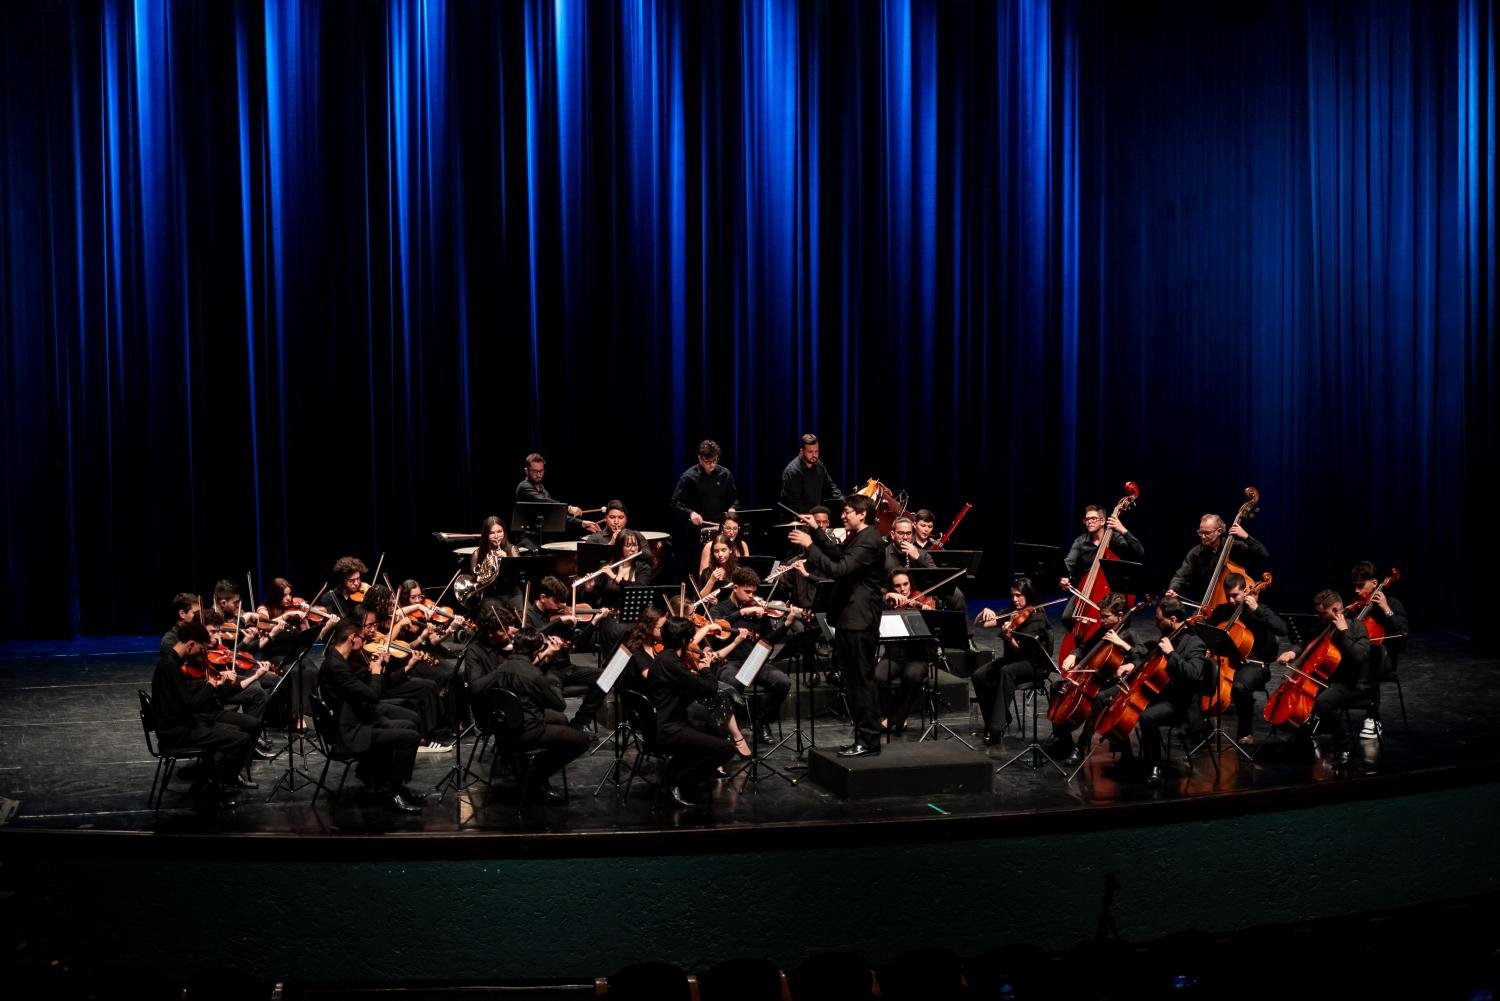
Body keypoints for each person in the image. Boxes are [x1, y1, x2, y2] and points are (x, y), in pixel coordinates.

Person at [788, 493, 886, 756]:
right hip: (849, 618)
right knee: (854, 681)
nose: (842, 516)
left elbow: (839, 568)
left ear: (862, 513)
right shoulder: (859, 537)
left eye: (846, 511)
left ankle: (868, 741)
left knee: (861, 681)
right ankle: (864, 738)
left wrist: (809, 546)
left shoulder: (870, 540)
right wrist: (817, 532)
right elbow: (837, 552)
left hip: (859, 619)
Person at [317, 617, 424, 813]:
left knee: (409, 725)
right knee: (410, 737)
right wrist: (375, 672)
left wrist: (375, 669)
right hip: (350, 731)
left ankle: (392, 785)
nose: (365, 642)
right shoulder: (336, 666)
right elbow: (373, 695)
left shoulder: (339, 660)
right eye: (362, 638)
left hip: (357, 719)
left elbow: (363, 689)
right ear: (352, 638)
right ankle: (391, 793)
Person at [150, 618, 256, 807]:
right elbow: (190, 705)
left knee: (236, 729)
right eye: (201, 648)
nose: (202, 652)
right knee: (242, 739)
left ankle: (208, 782)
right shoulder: (171, 667)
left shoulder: (168, 664)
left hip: (178, 725)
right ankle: (213, 785)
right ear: (191, 644)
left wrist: (210, 685)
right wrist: (209, 686)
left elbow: (186, 695)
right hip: (177, 732)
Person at [481, 627, 590, 803]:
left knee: (559, 722)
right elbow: (559, 704)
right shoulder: (534, 675)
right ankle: (533, 778)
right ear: (538, 650)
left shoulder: (502, 668)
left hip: (504, 731)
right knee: (582, 740)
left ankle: (525, 771)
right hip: (528, 731)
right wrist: (553, 681)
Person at [1114, 598, 1212, 786]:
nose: (1156, 623)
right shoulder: (1169, 635)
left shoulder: (1195, 643)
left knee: (1147, 716)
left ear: (1172, 619)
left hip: (1180, 702)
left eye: (1159, 620)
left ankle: (1154, 766)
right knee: (1113, 699)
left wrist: (1171, 654)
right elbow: (1151, 662)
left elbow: (1193, 674)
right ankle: (1126, 756)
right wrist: (1132, 665)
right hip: (1162, 694)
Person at [648, 616, 740, 806]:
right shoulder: (672, 663)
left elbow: (685, 686)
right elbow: (710, 688)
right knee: (727, 748)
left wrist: (692, 676)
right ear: (684, 641)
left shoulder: (664, 658)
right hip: (670, 729)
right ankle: (679, 781)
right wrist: (705, 668)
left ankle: (683, 773)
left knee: (717, 730)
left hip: (668, 722)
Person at [1275, 589, 1371, 766]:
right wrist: (1292, 652)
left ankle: (1345, 746)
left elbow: (1360, 656)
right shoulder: (1324, 626)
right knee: (1302, 699)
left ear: (1336, 610)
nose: (1318, 617)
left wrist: (1344, 633)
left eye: (1322, 613)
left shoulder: (1356, 626)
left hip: (1351, 683)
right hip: (1326, 681)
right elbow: (1305, 644)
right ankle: (1303, 739)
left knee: (1323, 702)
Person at [708, 567, 795, 745]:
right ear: (735, 588)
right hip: (729, 662)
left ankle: (761, 722)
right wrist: (742, 613)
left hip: (754, 661)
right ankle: (731, 729)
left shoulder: (758, 610)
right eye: (747, 592)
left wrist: (786, 624)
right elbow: (716, 627)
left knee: (782, 682)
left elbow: (768, 639)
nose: (751, 597)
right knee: (733, 683)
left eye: (754, 592)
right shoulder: (720, 608)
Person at [1205, 572, 1287, 746]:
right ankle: (1200, 727)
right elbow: (1207, 633)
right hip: (1228, 662)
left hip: (1256, 666)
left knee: (1240, 686)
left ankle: (1245, 733)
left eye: (1235, 595)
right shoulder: (1222, 611)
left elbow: (1282, 629)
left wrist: (1256, 609)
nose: (1231, 600)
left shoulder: (1259, 610)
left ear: (1245, 591)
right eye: (1228, 596)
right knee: (1198, 671)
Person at [971, 578, 1056, 744]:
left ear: (1028, 595)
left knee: (1006, 671)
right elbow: (980, 624)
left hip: (1034, 664)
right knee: (979, 676)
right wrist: (984, 612)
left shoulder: (1037, 618)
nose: (1015, 599)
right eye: (1013, 596)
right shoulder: (1011, 613)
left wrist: (1007, 636)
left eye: (1019, 595)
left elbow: (1022, 650)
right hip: (1013, 660)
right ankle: (1000, 717)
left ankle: (995, 729)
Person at [522, 576, 613, 729]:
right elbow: (532, 637)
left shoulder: (559, 613)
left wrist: (594, 622)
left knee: (606, 677)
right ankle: (553, 730)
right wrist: (559, 622)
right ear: (543, 598)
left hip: (566, 668)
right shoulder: (528, 616)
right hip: (546, 671)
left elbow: (578, 644)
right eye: (556, 601)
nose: (561, 606)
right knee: (558, 703)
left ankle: (578, 724)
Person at [1349, 561, 1408, 739]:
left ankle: (1373, 717)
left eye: (1361, 586)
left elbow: (1403, 634)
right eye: (1355, 586)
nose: (1357, 591)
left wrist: (1386, 610)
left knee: (1372, 654)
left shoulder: (1393, 603)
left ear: (1375, 583)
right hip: (1358, 658)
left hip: (1385, 661)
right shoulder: (1358, 607)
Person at [670, 440, 740, 572]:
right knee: (700, 566)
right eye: (708, 462)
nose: (712, 464)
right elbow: (675, 502)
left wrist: (732, 508)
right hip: (697, 531)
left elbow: (734, 498)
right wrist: (691, 512)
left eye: (715, 460)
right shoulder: (689, 477)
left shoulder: (725, 474)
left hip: (721, 528)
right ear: (700, 458)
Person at [1166, 513, 1269, 602]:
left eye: (1207, 533)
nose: (1203, 536)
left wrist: (1246, 536)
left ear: (1219, 531)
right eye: (1200, 532)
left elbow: (1263, 554)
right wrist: (1173, 589)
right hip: (1207, 604)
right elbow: (1180, 576)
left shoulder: (1234, 547)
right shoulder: (1195, 553)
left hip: (1233, 603)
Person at [877, 570, 932, 733]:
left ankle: (894, 719)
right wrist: (885, 598)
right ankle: (893, 717)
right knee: (877, 677)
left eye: (905, 584)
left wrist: (926, 612)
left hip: (917, 657)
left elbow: (933, 629)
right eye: (898, 586)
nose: (902, 589)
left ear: (911, 584)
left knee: (911, 676)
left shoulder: (923, 599)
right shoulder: (889, 602)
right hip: (894, 655)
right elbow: (871, 603)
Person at [1059, 504, 1145, 593]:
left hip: (1112, 590)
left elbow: (1139, 551)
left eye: (1093, 518)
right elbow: (1069, 563)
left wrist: (1122, 529)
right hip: (1086, 589)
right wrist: (1063, 577)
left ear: (1103, 521)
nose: (1089, 522)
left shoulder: (1115, 538)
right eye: (1087, 519)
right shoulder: (1080, 541)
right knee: (1068, 607)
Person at [515, 452, 600, 537]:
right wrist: (568, 508)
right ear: (526, 471)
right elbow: (547, 503)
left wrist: (581, 523)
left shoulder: (542, 490)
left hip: (541, 537)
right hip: (527, 538)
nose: (539, 474)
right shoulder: (524, 487)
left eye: (541, 471)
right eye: (535, 471)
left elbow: (555, 513)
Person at [779, 433, 843, 514]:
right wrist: (813, 516)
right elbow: (794, 503)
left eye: (816, 451)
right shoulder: (793, 472)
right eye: (810, 452)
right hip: (797, 517)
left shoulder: (819, 465)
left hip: (814, 515)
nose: (814, 455)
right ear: (802, 451)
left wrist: (843, 501)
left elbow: (831, 486)